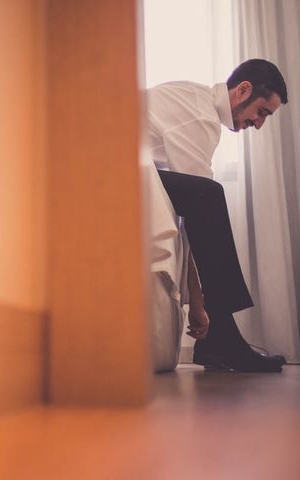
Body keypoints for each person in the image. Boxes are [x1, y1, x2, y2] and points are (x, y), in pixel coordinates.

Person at [147, 59, 289, 372]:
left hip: (131, 170)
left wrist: (199, 302)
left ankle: (219, 339)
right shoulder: (200, 115)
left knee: (205, 195)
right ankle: (223, 338)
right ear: (243, 90)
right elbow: (198, 212)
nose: (259, 123)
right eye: (262, 112)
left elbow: (195, 220)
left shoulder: (197, 102)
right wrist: (197, 304)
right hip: (106, 167)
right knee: (208, 195)